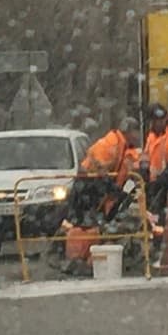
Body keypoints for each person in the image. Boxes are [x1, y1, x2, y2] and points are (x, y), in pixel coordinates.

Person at [56, 118, 141, 275]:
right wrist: (111, 187)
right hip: (87, 188)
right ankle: (77, 260)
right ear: (129, 132)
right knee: (84, 227)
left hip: (96, 191)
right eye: (136, 132)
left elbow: (129, 168)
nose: (138, 136)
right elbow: (99, 168)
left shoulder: (124, 147)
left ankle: (87, 260)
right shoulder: (111, 143)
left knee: (92, 226)